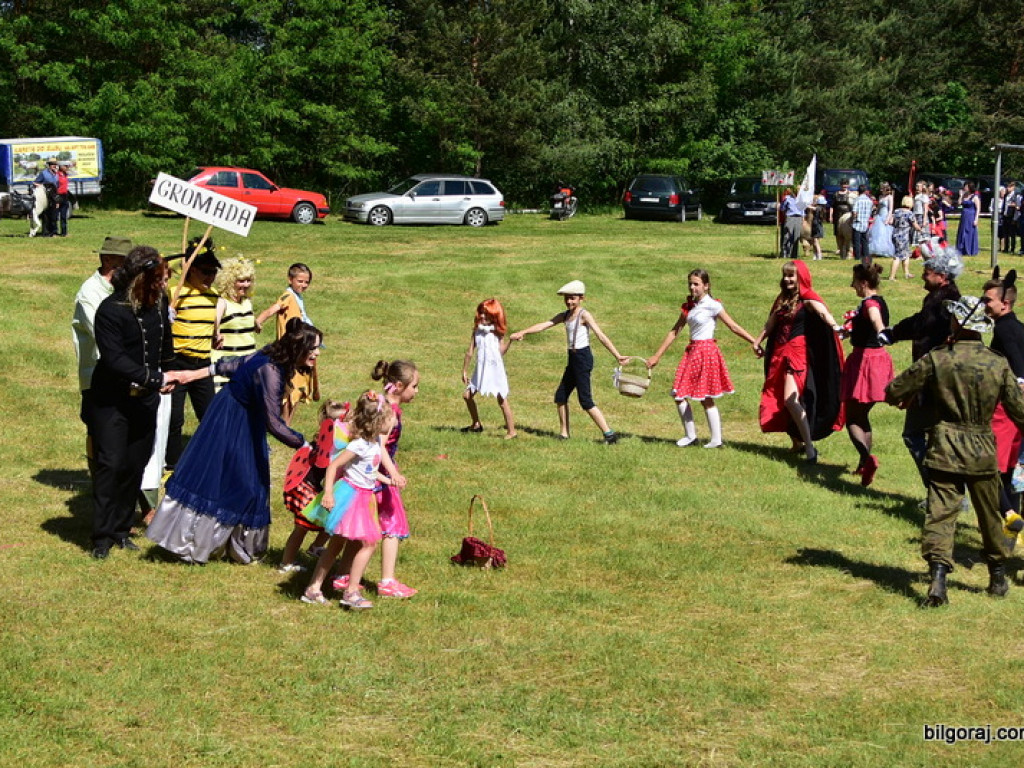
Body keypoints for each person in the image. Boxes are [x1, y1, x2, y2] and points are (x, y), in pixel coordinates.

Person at [146, 318, 323, 565]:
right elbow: (273, 421)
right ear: (298, 348)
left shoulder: (269, 357)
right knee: (234, 481)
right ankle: (196, 544)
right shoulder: (270, 370)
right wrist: (303, 444)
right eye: (313, 348)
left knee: (245, 480)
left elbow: (232, 365)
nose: (316, 354)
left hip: (239, 417)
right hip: (233, 420)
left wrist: (189, 375)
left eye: (318, 348)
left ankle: (234, 547)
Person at [886, 296, 1024, 606]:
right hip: (983, 451)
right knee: (990, 515)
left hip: (945, 447)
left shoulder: (938, 358)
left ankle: (937, 583)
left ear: (957, 324)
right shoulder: (998, 363)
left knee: (941, 514)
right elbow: (1020, 410)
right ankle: (998, 576)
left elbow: (894, 390)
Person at [89, 247, 188, 559]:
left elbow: (165, 345)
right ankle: (101, 537)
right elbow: (115, 359)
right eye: (156, 279)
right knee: (111, 465)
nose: (162, 285)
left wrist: (173, 372)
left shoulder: (158, 303)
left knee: (135, 465)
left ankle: (120, 529)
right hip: (111, 402)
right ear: (138, 280)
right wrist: (156, 379)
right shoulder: (109, 310)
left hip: (144, 402)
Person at [300, 390, 397, 610]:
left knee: (335, 545)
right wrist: (328, 493)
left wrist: (388, 480)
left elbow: (369, 471)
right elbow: (334, 466)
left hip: (364, 496)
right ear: (378, 421)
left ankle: (313, 588)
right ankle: (352, 591)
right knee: (369, 543)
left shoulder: (372, 444)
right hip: (352, 497)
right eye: (389, 421)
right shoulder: (359, 445)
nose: (391, 426)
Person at [333, 359, 421, 598]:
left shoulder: (379, 404)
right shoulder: (389, 414)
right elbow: (379, 446)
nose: (417, 391)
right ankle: (387, 581)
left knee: (360, 525)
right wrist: (392, 473)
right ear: (400, 386)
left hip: (367, 473)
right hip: (379, 475)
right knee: (392, 523)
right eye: (415, 386)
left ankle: (343, 574)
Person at [646, 269, 758, 448]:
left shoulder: (713, 305)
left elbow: (733, 326)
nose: (692, 287)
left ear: (706, 286)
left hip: (705, 352)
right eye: (690, 283)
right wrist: (657, 355)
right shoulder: (689, 307)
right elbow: (675, 331)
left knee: (705, 397)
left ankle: (715, 439)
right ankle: (691, 436)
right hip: (692, 352)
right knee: (679, 394)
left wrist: (755, 342)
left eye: (696, 284)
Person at [510, 280, 629, 444]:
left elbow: (601, 336)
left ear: (581, 298)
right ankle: (564, 434)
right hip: (573, 358)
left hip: (582, 358)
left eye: (572, 298)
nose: (568, 301)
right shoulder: (565, 315)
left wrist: (618, 355)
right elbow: (545, 325)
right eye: (566, 298)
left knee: (586, 401)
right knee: (561, 396)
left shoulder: (584, 315)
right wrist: (523, 332)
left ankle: (609, 435)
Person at [885, 246, 962, 491]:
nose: (922, 276)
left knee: (916, 434)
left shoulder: (946, 301)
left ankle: (942, 491)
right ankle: (942, 491)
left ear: (942, 275)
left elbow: (926, 331)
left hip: (935, 381)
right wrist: (893, 333)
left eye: (927, 272)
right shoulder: (936, 298)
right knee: (927, 436)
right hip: (930, 379)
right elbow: (919, 321)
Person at [754, 261, 845, 463]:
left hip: (796, 355)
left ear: (800, 277)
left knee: (790, 399)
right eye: (785, 276)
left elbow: (822, 311)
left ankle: (810, 449)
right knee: (781, 399)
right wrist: (758, 340)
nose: (787, 280)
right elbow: (771, 323)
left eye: (791, 276)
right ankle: (797, 442)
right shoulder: (782, 299)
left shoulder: (807, 299)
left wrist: (835, 326)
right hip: (779, 353)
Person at [72, 236, 132, 480]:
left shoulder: (124, 289)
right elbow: (104, 336)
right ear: (108, 260)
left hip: (124, 372)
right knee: (98, 432)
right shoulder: (90, 292)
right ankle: (100, 482)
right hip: (97, 376)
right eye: (125, 262)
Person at [165, 240, 221, 471]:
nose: (210, 278)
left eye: (214, 273)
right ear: (192, 269)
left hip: (201, 365)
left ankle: (212, 460)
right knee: (174, 419)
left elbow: (212, 324)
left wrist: (216, 334)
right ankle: (172, 463)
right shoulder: (174, 293)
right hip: (178, 363)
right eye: (206, 272)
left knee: (210, 416)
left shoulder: (214, 296)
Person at [278, 399, 349, 573]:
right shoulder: (327, 446)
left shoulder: (338, 445)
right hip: (306, 488)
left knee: (336, 518)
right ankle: (286, 563)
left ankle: (316, 547)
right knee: (301, 528)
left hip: (319, 487)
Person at [839, 263, 894, 485]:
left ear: (863, 283)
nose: (852, 286)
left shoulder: (871, 303)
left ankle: (866, 458)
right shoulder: (882, 300)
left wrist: (881, 331)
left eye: (854, 282)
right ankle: (863, 466)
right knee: (863, 415)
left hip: (865, 361)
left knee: (851, 417)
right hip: (879, 360)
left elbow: (874, 318)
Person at [982, 277, 1024, 534]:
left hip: (1006, 410)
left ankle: (1008, 514)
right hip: (1013, 411)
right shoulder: (1018, 326)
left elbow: (1018, 369)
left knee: (988, 466)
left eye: (988, 300)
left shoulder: (1003, 330)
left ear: (1004, 303)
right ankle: (1012, 524)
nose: (984, 304)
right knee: (1010, 469)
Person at [255, 263, 319, 425]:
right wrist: (259, 321)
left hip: (303, 350)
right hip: (292, 352)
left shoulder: (297, 298)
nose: (303, 285)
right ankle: (284, 424)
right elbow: (272, 309)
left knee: (299, 388)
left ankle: (286, 423)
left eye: (306, 282)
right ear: (290, 279)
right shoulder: (288, 296)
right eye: (300, 281)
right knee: (292, 387)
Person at [461, 299, 516, 438]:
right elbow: (469, 352)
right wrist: (465, 370)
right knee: (467, 396)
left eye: (486, 314)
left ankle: (512, 431)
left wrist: (510, 341)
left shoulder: (498, 333)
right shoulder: (477, 331)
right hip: (481, 370)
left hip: (495, 370)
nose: (483, 317)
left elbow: (501, 351)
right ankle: (476, 424)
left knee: (502, 400)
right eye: (481, 313)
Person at [211, 256, 258, 391]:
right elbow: (214, 322)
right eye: (241, 281)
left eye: (248, 280)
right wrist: (216, 334)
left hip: (247, 363)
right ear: (229, 281)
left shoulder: (247, 302)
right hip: (226, 365)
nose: (246, 284)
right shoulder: (222, 302)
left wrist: (255, 324)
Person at [889, 196, 918, 280]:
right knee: (897, 256)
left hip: (895, 235)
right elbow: (915, 225)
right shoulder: (910, 213)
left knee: (906, 254)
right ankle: (892, 276)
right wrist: (921, 229)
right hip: (904, 236)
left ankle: (907, 273)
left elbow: (891, 222)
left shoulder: (896, 211)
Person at [867, 181, 894, 260]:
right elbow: (878, 208)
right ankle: (876, 250)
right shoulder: (880, 197)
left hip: (885, 216)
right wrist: (875, 216)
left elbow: (890, 209)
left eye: (883, 188)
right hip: (879, 216)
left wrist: (888, 219)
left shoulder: (890, 197)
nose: (881, 190)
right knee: (877, 234)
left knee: (885, 234)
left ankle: (884, 250)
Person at [33, 158, 59, 237]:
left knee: (54, 215)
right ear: (49, 165)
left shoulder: (57, 174)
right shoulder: (44, 173)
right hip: (46, 197)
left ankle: (54, 232)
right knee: (46, 216)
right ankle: (45, 232)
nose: (54, 166)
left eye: (55, 164)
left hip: (55, 197)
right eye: (52, 164)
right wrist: (41, 186)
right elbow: (35, 183)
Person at [851, 184, 874, 265]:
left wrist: (853, 218)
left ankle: (857, 256)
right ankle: (866, 255)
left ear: (858, 191)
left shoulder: (857, 200)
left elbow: (854, 212)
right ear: (865, 191)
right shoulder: (869, 201)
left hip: (857, 223)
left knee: (856, 241)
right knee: (865, 241)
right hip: (865, 223)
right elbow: (870, 212)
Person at [956, 182, 980, 257]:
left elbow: (978, 209)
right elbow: (959, 203)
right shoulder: (964, 196)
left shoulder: (975, 197)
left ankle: (970, 249)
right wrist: (961, 195)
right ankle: (961, 249)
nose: (964, 188)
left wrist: (976, 219)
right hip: (964, 216)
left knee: (969, 232)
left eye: (966, 187)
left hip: (971, 216)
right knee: (962, 231)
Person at [779, 188, 804, 260]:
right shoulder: (788, 198)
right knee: (787, 235)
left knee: (796, 236)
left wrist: (803, 219)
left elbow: (802, 210)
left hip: (798, 218)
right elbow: (782, 208)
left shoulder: (801, 199)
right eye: (797, 190)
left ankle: (794, 254)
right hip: (790, 217)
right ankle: (784, 252)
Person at [829, 178, 853, 250]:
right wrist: (830, 216)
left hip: (847, 215)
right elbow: (832, 206)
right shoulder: (835, 194)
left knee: (846, 232)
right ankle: (839, 248)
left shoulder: (850, 194)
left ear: (848, 185)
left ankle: (846, 247)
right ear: (840, 185)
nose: (844, 186)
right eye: (843, 184)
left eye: (846, 184)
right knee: (837, 233)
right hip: (837, 214)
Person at [809, 190, 828, 260]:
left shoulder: (818, 208)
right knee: (814, 241)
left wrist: (806, 205)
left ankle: (819, 255)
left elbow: (811, 208)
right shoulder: (822, 209)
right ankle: (815, 255)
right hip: (817, 226)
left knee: (816, 242)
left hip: (816, 226)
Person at [55, 161, 71, 237]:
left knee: (64, 216)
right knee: (55, 215)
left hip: (65, 196)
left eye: (67, 166)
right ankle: (54, 232)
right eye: (65, 166)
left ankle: (64, 232)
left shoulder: (65, 174)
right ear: (61, 167)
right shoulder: (56, 175)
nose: (67, 168)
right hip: (58, 196)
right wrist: (56, 200)